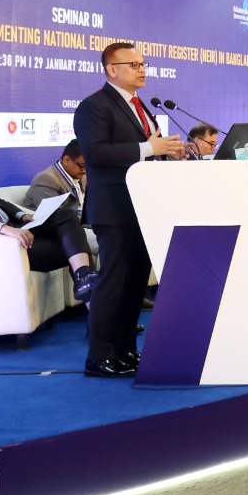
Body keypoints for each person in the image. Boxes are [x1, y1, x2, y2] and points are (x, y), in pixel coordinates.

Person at [73, 41, 185, 378]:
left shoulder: (139, 105)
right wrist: (148, 147)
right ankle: (100, 357)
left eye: (143, 63)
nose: (142, 70)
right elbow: (96, 153)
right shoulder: (94, 106)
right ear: (112, 69)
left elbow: (146, 150)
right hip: (115, 208)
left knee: (135, 284)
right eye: (134, 64)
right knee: (114, 283)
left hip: (143, 206)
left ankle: (124, 351)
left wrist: (167, 151)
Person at [0, 126, 97, 290]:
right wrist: (3, 228)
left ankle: (84, 278)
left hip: (15, 227)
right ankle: (90, 291)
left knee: (65, 215)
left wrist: (22, 215)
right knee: (74, 246)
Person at [24, 139, 86, 215]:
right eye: (82, 166)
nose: (85, 170)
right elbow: (54, 215)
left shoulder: (83, 177)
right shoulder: (46, 179)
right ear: (66, 160)